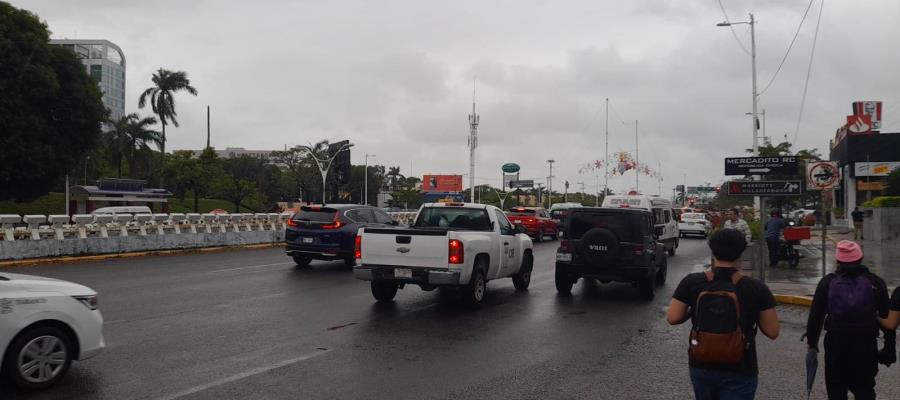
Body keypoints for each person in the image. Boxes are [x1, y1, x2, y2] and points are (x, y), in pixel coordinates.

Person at [668, 229, 780, 400]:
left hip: (702, 364)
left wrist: (693, 310)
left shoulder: (692, 282)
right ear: (740, 253)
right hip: (741, 366)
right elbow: (772, 332)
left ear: (713, 251)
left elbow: (673, 317)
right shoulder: (755, 288)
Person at [805, 240, 891, 400]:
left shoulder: (827, 282)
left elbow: (816, 316)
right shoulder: (875, 282)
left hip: (836, 348)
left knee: (836, 390)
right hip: (866, 347)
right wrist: (889, 347)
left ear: (838, 260)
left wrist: (812, 344)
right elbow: (886, 317)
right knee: (865, 390)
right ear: (860, 258)